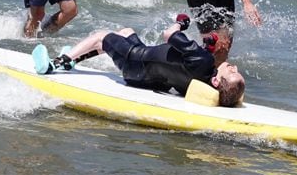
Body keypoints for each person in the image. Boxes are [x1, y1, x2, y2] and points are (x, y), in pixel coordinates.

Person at [44, 15, 245, 107]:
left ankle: (59, 62)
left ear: (217, 82)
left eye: (233, 71)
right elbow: (187, 69)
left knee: (102, 37)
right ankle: (76, 59)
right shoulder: (202, 85)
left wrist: (180, 23)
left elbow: (168, 35)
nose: (233, 66)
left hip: (134, 62)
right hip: (144, 77)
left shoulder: (203, 60)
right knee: (126, 32)